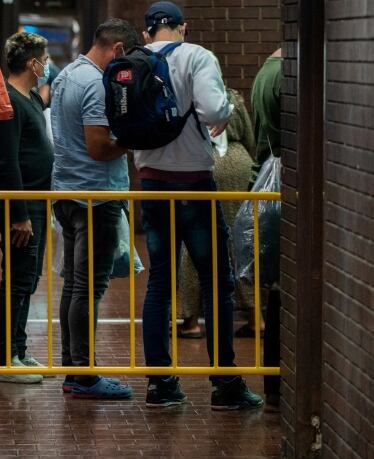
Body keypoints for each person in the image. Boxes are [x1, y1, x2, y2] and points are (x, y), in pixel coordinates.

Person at [135, 1, 263, 409]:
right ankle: (224, 383)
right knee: (216, 284)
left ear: (146, 34)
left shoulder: (133, 61)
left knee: (159, 284)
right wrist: (223, 114)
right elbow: (211, 110)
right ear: (182, 28)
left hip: (152, 184)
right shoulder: (198, 56)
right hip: (194, 182)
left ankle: (160, 383)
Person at [50, 19, 138, 399]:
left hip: (68, 192)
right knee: (88, 287)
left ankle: (75, 368)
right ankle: (83, 373)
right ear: (117, 50)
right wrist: (133, 140)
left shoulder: (67, 74)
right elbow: (99, 146)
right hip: (95, 196)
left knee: (74, 283)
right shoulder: (95, 84)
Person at [0, 32, 54, 384]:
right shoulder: (8, 103)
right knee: (16, 279)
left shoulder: (30, 98)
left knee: (27, 278)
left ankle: (19, 349)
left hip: (37, 201)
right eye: (45, 58)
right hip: (22, 203)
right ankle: (4, 359)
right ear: (32, 63)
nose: (48, 64)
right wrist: (20, 213)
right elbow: (7, 163)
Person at [177, 87, 256, 338]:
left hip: (205, 165)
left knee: (194, 241)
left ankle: (190, 319)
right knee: (242, 239)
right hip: (240, 163)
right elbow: (249, 138)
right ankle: (256, 315)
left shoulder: (186, 96)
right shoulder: (233, 96)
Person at [250, 47, 282, 410]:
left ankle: (274, 386)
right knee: (283, 289)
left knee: (276, 289)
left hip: (268, 179)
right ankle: (276, 385)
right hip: (283, 184)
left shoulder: (264, 72)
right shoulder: (285, 74)